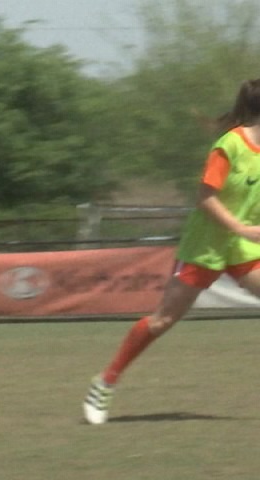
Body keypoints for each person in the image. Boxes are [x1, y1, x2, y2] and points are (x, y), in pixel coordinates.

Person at [84, 78, 260, 424]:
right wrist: (240, 227)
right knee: (164, 319)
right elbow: (205, 198)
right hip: (205, 244)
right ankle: (105, 382)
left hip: (243, 248)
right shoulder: (230, 145)